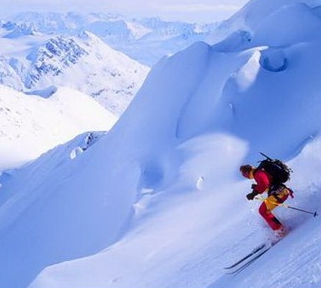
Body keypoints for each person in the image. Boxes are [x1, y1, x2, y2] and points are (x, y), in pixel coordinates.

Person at [240, 164, 293, 238]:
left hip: (280, 193)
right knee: (264, 210)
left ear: (246, 173)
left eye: (243, 175)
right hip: (279, 192)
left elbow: (264, 184)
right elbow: (267, 184)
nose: (245, 177)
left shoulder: (258, 173)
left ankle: (280, 230)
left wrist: (253, 193)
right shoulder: (258, 173)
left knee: (263, 211)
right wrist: (256, 188)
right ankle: (280, 229)